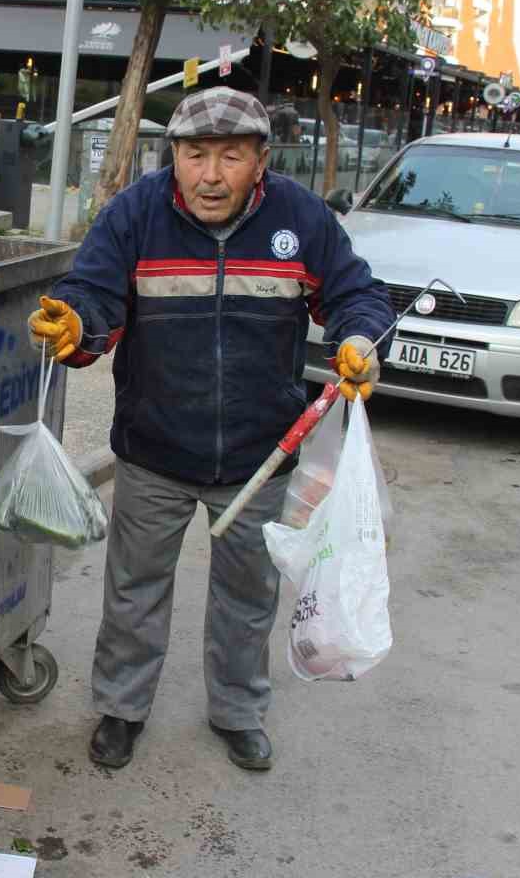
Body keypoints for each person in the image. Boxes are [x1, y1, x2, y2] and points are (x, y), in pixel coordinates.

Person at [27, 86, 393, 772]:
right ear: (175, 157)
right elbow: (93, 293)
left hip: (261, 452)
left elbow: (356, 295)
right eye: (196, 155)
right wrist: (75, 326)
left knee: (248, 597)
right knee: (134, 589)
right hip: (154, 449)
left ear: (261, 161)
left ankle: (238, 711)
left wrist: (361, 339)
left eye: (231, 155)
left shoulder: (300, 219)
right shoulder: (136, 215)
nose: (212, 175)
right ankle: (121, 708)